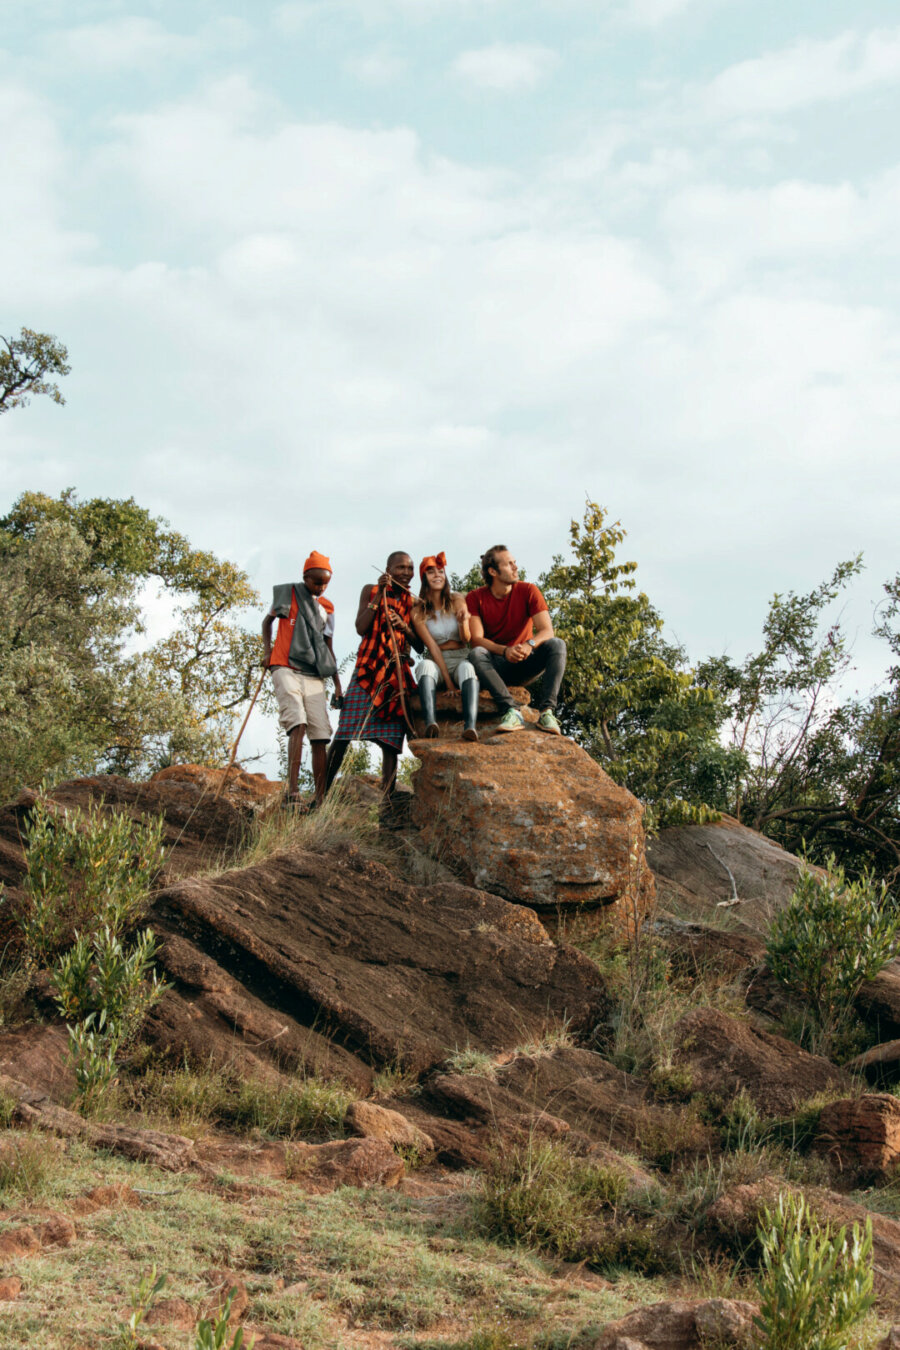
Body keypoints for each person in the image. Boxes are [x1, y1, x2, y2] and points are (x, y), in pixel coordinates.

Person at [325, 551, 423, 795]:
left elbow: (420, 646)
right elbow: (361, 627)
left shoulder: (414, 602)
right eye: (401, 567)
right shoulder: (370, 589)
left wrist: (405, 627)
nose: (407, 572)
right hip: (368, 667)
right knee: (344, 733)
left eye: (410, 568)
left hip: (395, 673)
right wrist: (380, 595)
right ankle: (320, 794)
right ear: (387, 570)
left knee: (390, 742)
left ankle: (388, 803)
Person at [262, 551, 343, 806]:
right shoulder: (289, 594)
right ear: (305, 577)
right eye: (316, 581)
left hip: (313, 672)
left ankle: (320, 798)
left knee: (320, 733)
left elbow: (328, 647)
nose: (320, 587)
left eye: (325, 583)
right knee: (297, 722)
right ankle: (293, 791)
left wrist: (338, 685)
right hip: (284, 665)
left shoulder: (327, 608)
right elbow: (267, 623)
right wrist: (267, 652)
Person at [466, 545, 566, 735]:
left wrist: (529, 645)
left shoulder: (529, 590)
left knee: (557, 644)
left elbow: (547, 631)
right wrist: (505, 650)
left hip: (525, 661)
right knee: (476, 653)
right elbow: (476, 639)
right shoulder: (475, 597)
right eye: (509, 564)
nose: (515, 567)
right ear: (493, 571)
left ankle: (547, 712)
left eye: (515, 563)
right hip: (495, 666)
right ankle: (511, 711)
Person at [411, 552, 480, 742]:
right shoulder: (418, 611)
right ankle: (431, 723)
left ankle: (470, 726)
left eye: (440, 571)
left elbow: (466, 639)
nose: (437, 575)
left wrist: (463, 623)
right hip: (438, 658)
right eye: (431, 572)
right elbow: (432, 646)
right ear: (424, 577)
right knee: (424, 665)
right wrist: (448, 683)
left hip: (460, 655)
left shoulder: (457, 598)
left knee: (468, 668)